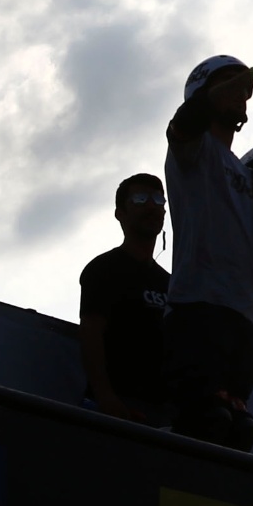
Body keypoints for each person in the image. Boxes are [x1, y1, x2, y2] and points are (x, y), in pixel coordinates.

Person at [162, 53, 253, 451]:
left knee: (239, 428)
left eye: (246, 89)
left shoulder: (248, 173)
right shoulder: (190, 149)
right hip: (197, 305)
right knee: (204, 419)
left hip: (243, 315)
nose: (242, 93)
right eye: (233, 85)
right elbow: (185, 120)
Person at [78, 173, 171, 425]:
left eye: (158, 199)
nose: (152, 206)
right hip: (118, 407)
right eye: (140, 199)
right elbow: (90, 333)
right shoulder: (104, 269)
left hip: (164, 412)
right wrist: (105, 397)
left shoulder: (172, 284)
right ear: (120, 213)